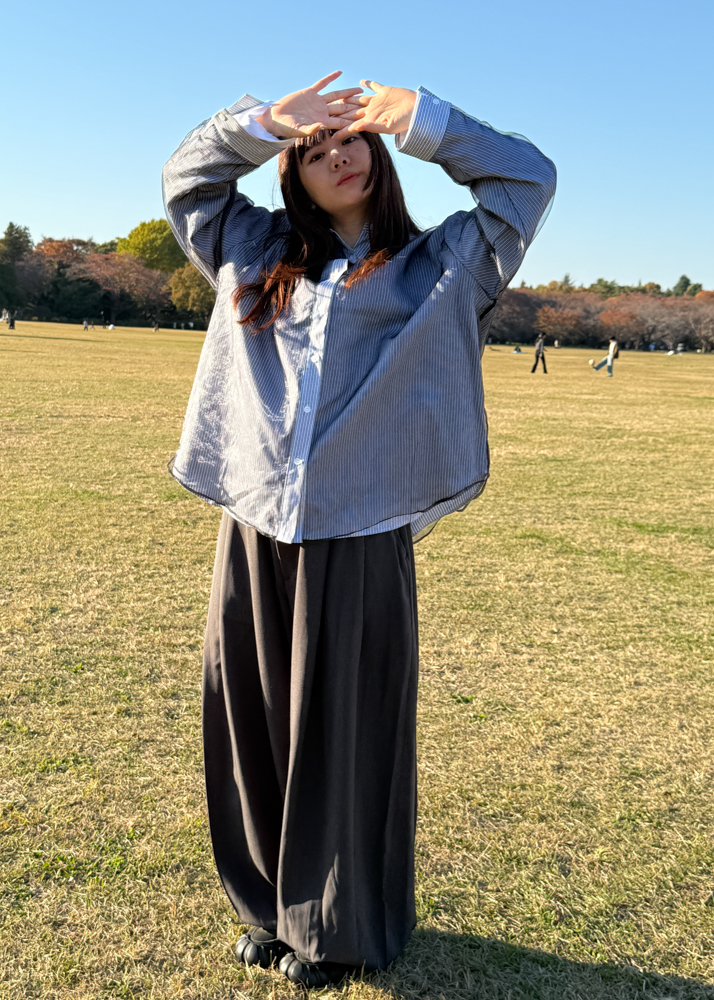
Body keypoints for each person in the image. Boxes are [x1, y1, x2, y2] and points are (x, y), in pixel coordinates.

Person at [162, 72, 556, 988]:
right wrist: (264, 123)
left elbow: (527, 179)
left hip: (362, 530)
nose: (337, 154)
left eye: (353, 141)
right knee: (253, 718)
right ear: (291, 174)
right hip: (255, 523)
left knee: (344, 732)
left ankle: (336, 927)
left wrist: (427, 120)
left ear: (381, 155)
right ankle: (269, 907)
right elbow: (187, 180)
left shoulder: (444, 263)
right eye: (315, 150)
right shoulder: (251, 247)